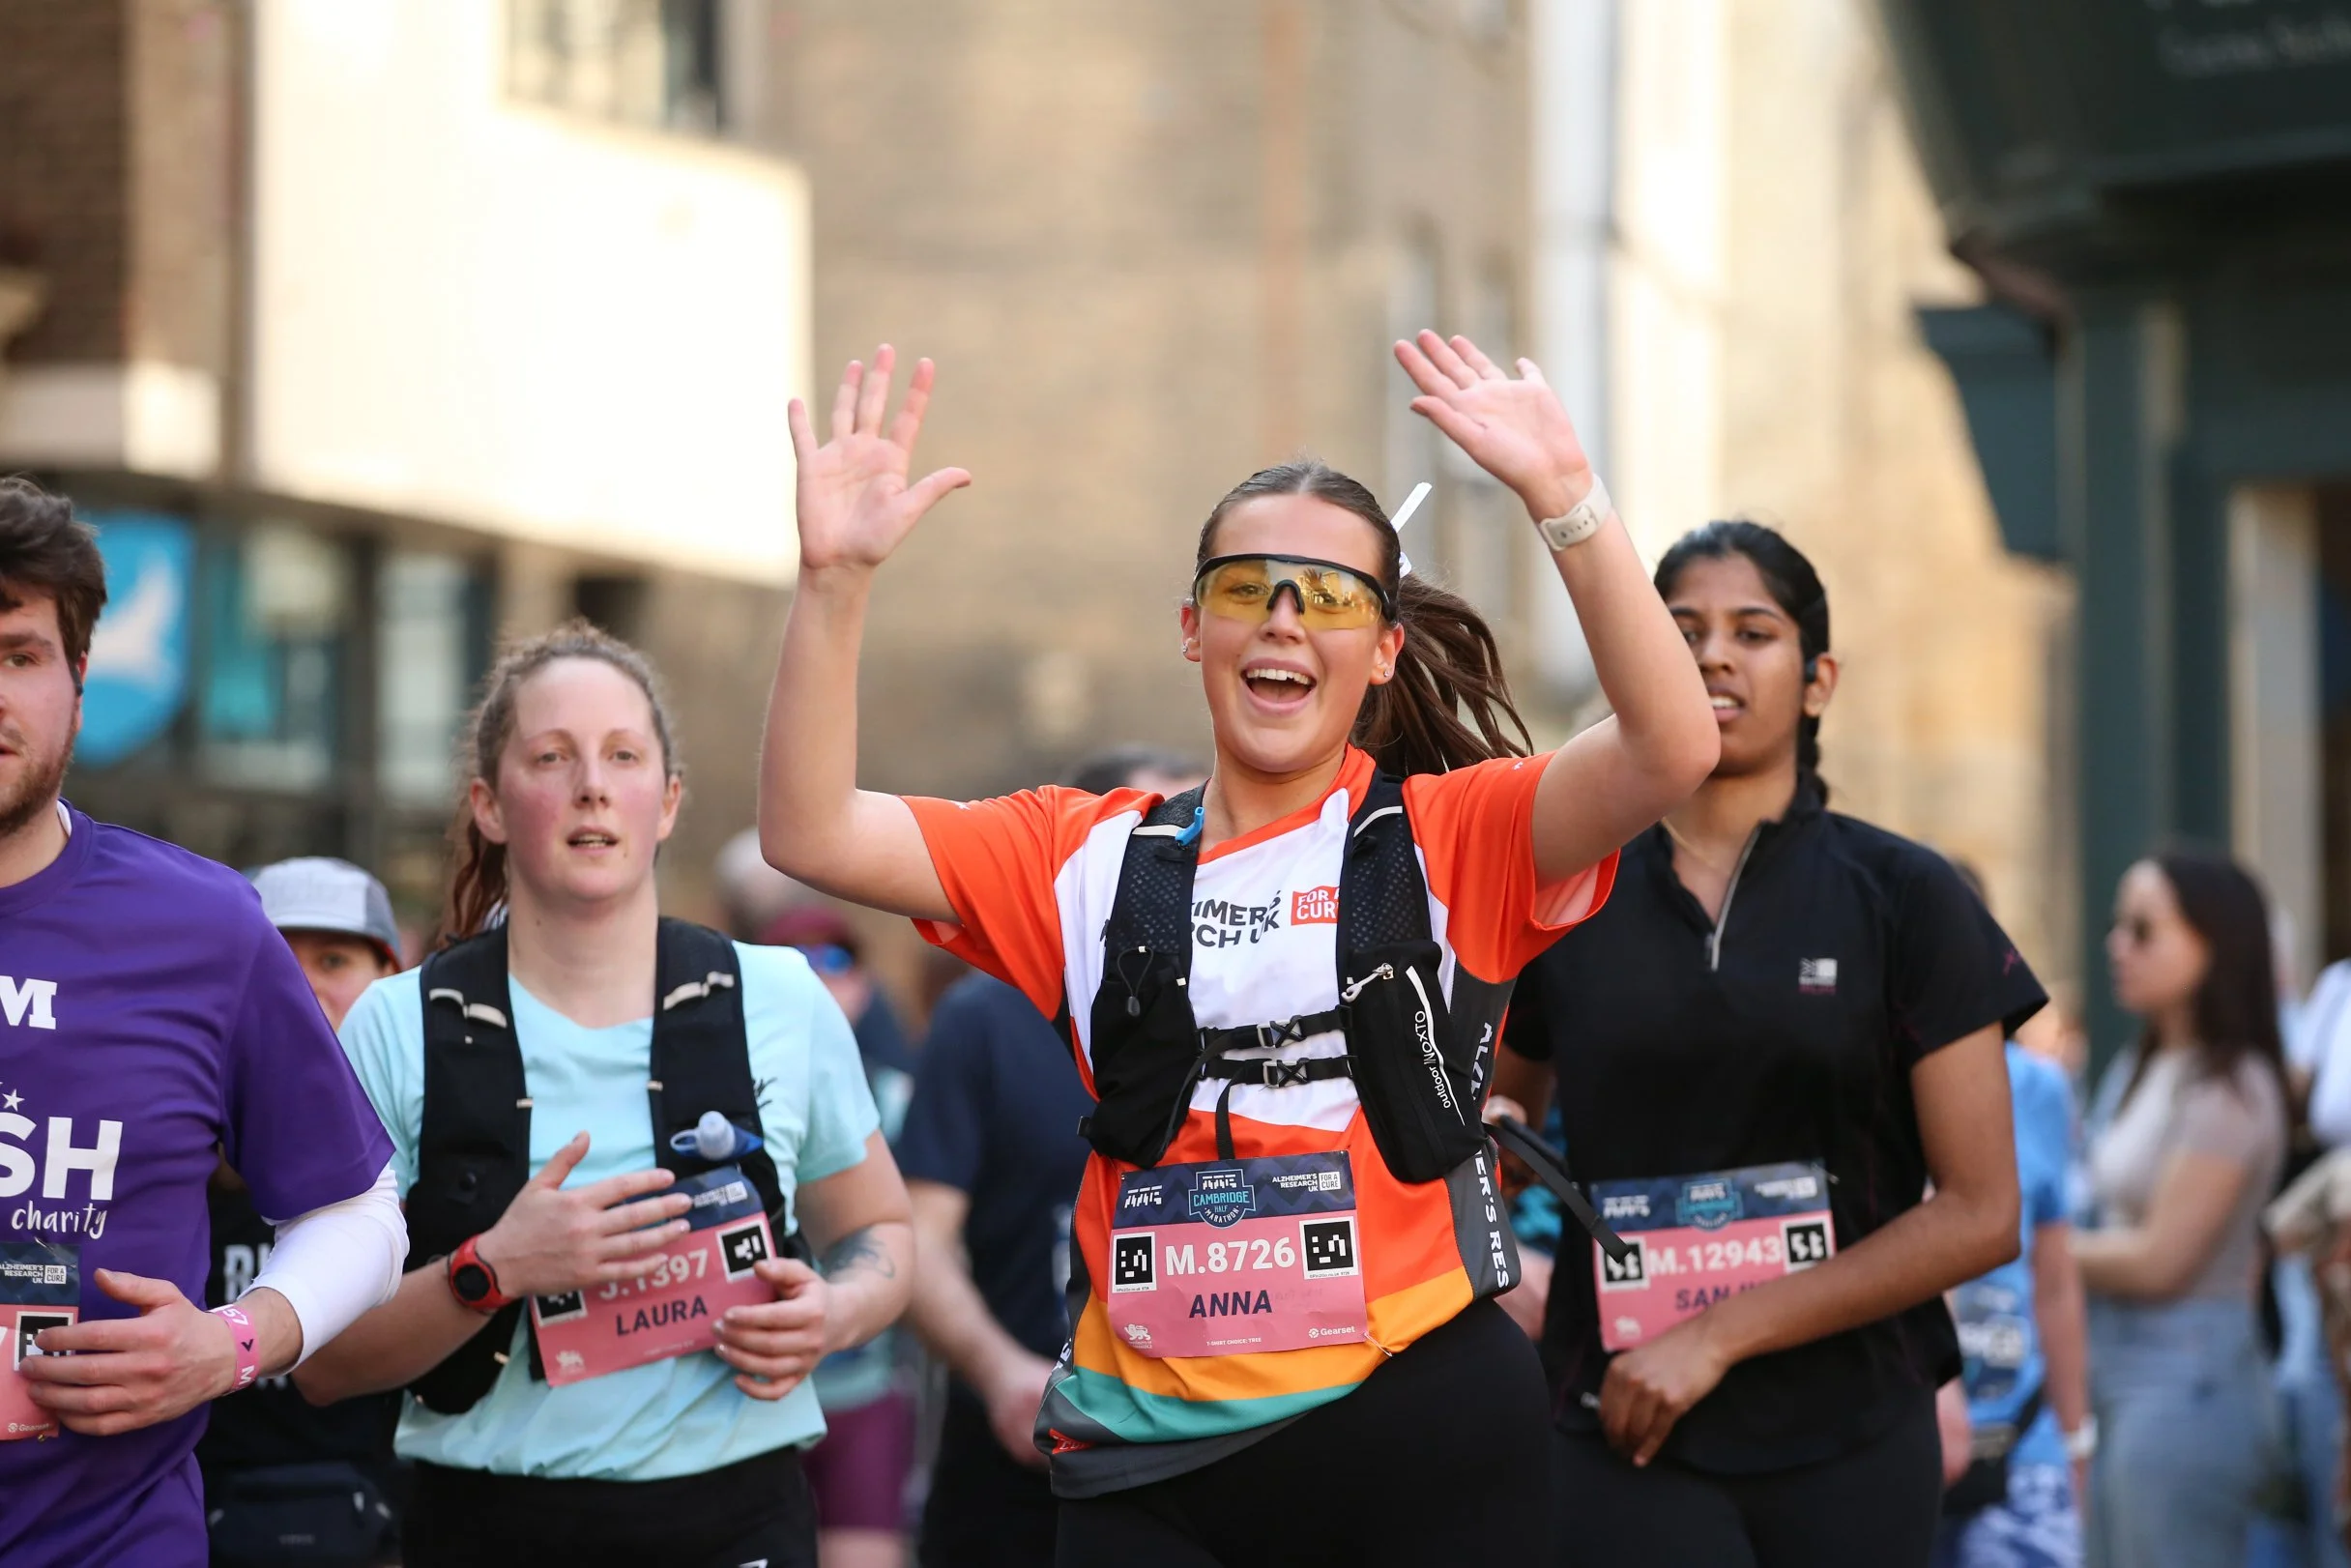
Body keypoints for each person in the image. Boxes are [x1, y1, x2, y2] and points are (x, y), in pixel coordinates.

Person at [756, 334, 1720, 1567]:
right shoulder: (1077, 854)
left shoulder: (1452, 834)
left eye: (1325, 595)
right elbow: (810, 828)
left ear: (1380, 649)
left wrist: (1564, 496)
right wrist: (832, 579)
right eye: (1244, 587)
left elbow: (1669, 746)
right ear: (1190, 628)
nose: (1281, 618)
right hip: (1148, 1450)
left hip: (1411, 1417)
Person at [292, 622, 914, 1568]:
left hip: (736, 1521)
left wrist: (834, 1311)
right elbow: (324, 1363)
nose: (591, 783)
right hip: (487, 1524)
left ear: (665, 803)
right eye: (551, 756)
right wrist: (490, 1268)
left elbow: (882, 1232)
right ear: (489, 804)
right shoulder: (394, 1024)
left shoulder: (780, 997)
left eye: (623, 755)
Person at [1492, 519, 2044, 1568]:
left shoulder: (1905, 894)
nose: (1710, 655)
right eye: (1678, 630)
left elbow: (1982, 1213)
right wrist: (1498, 1248)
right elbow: (1489, 1128)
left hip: (1852, 1428)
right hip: (1616, 1425)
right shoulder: (1564, 891)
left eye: (1752, 631)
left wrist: (1713, 1334)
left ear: (1817, 678)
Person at [0, 476, 407, 1567]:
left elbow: (360, 1211)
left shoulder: (202, 924)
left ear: (79, 683)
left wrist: (232, 1343)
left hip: (109, 1539)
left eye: (19, 653)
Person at [899, 745, 1205, 1568]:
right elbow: (915, 1239)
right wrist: (999, 1372)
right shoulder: (984, 1021)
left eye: (1195, 830)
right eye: (1149, 832)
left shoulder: (1270, 1005)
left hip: (1217, 1445)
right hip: (1014, 1457)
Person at [2075, 849, 2291, 1568]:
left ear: (2214, 942)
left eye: (2143, 929)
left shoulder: (2237, 1087)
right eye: (2117, 925)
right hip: (2123, 1378)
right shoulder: (2142, 1063)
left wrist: (2021, 1241)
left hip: (2190, 1384)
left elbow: (2161, 1260)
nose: (2118, 945)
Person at [201, 857, 411, 1568]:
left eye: (334, 959)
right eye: (276, 961)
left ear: (390, 980)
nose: (302, 987)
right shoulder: (172, 1151)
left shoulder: (443, 1152)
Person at [1930, 862, 2092, 1568]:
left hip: (2022, 1448)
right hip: (1894, 1443)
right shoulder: (1855, 1078)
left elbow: (2055, 1279)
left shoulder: (2039, 1088)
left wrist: (2075, 1436)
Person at [762, 902, 919, 1568]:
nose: (821, 979)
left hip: (864, 1390)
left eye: (837, 961)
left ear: (863, 983)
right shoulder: (726, 1101)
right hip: (753, 1398)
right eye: (799, 964)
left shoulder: (905, 1101)